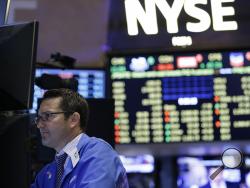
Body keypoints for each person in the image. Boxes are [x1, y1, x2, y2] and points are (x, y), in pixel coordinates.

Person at [31, 88, 128, 188]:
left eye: (47, 116)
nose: (40, 125)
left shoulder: (99, 154)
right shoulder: (47, 173)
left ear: (74, 119)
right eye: (39, 118)